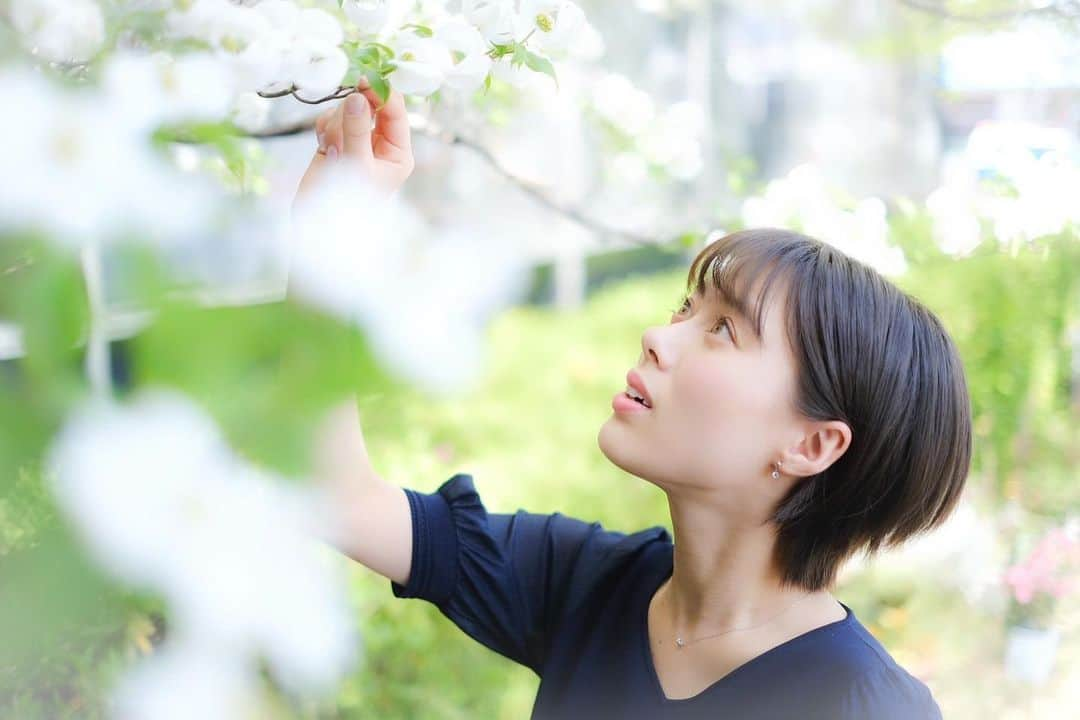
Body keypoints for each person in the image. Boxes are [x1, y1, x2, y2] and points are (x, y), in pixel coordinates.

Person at [300, 81, 971, 719]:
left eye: (723, 331)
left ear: (811, 444)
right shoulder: (587, 582)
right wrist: (332, 237)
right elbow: (341, 500)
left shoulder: (863, 705)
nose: (657, 337)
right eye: (686, 310)